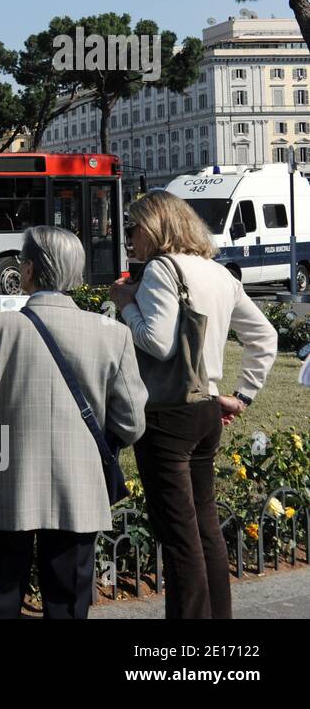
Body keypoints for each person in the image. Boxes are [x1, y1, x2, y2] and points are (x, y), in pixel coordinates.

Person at [0, 226, 148, 619]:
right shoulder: (112, 334)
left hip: (1, 486)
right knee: (68, 601)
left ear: (27, 270)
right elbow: (131, 420)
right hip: (78, 488)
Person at [110, 190, 277, 619]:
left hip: (167, 415)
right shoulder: (218, 273)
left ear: (155, 227)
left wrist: (125, 305)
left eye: (134, 227)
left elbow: (157, 342)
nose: (129, 236)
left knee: (179, 536)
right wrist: (242, 394)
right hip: (205, 411)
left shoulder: (162, 270)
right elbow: (265, 337)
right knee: (205, 533)